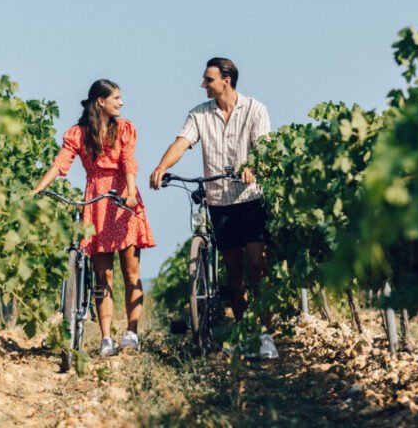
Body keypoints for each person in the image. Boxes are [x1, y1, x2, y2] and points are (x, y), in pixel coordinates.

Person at [149, 57, 275, 351]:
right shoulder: (199, 114)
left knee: (258, 264)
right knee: (233, 271)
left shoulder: (256, 109)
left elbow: (264, 147)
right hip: (218, 200)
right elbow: (182, 142)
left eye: (208, 79)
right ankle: (244, 332)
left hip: (250, 198)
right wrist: (161, 167)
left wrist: (252, 167)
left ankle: (267, 335)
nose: (203, 84)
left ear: (226, 81)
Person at [33, 79, 155, 356]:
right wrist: (38, 189)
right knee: (103, 276)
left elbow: (128, 161)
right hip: (96, 201)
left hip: (123, 197)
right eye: (117, 98)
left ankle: (132, 333)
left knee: (131, 272)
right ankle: (106, 338)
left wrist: (131, 193)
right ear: (101, 101)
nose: (121, 103)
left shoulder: (124, 129)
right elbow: (61, 163)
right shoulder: (78, 133)